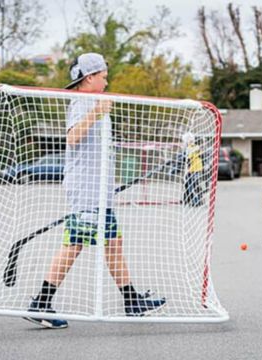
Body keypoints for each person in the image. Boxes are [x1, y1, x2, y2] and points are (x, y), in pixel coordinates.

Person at [24, 53, 166, 329]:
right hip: (87, 193)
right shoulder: (83, 103)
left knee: (113, 245)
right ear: (89, 78)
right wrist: (96, 113)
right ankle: (41, 302)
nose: (107, 80)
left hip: (100, 192)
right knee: (74, 245)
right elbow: (73, 138)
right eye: (103, 76)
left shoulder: (95, 102)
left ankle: (131, 302)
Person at [182, 133, 203, 206]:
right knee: (190, 185)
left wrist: (187, 169)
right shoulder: (195, 147)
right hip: (194, 169)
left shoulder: (192, 148)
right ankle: (189, 200)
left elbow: (189, 159)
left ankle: (196, 201)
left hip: (195, 169)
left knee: (193, 186)